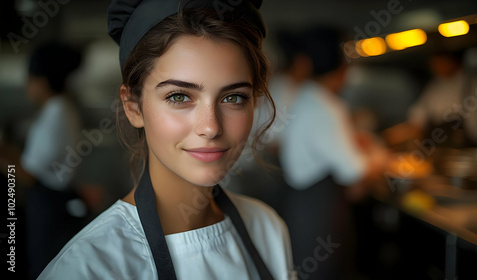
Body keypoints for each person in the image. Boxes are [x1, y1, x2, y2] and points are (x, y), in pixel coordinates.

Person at [38, 1, 296, 279]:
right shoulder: (88, 267)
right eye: (179, 97)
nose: (210, 127)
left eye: (233, 98)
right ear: (133, 106)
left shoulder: (267, 228)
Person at [279, 26, 388, 279]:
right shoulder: (326, 105)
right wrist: (382, 158)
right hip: (317, 216)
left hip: (303, 207)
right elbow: (355, 170)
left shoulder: (306, 96)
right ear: (343, 67)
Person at [0, 41, 84, 279]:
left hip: (50, 205)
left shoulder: (56, 114)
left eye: (29, 78)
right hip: (50, 201)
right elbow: (30, 162)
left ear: (42, 81)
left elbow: (27, 174)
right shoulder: (58, 108)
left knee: (45, 269)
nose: (27, 85)